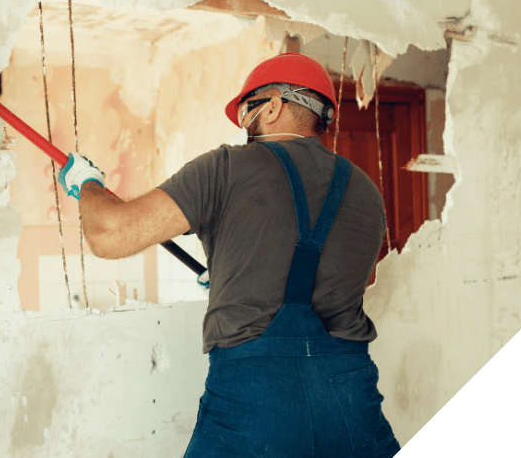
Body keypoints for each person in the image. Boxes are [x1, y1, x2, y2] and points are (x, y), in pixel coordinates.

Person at [57, 52, 399, 458]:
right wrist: (229, 276)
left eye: (246, 112)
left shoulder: (226, 168)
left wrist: (89, 184)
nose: (242, 126)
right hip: (351, 403)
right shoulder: (367, 192)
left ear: (273, 106)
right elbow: (319, 271)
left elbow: (109, 233)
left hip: (255, 402)